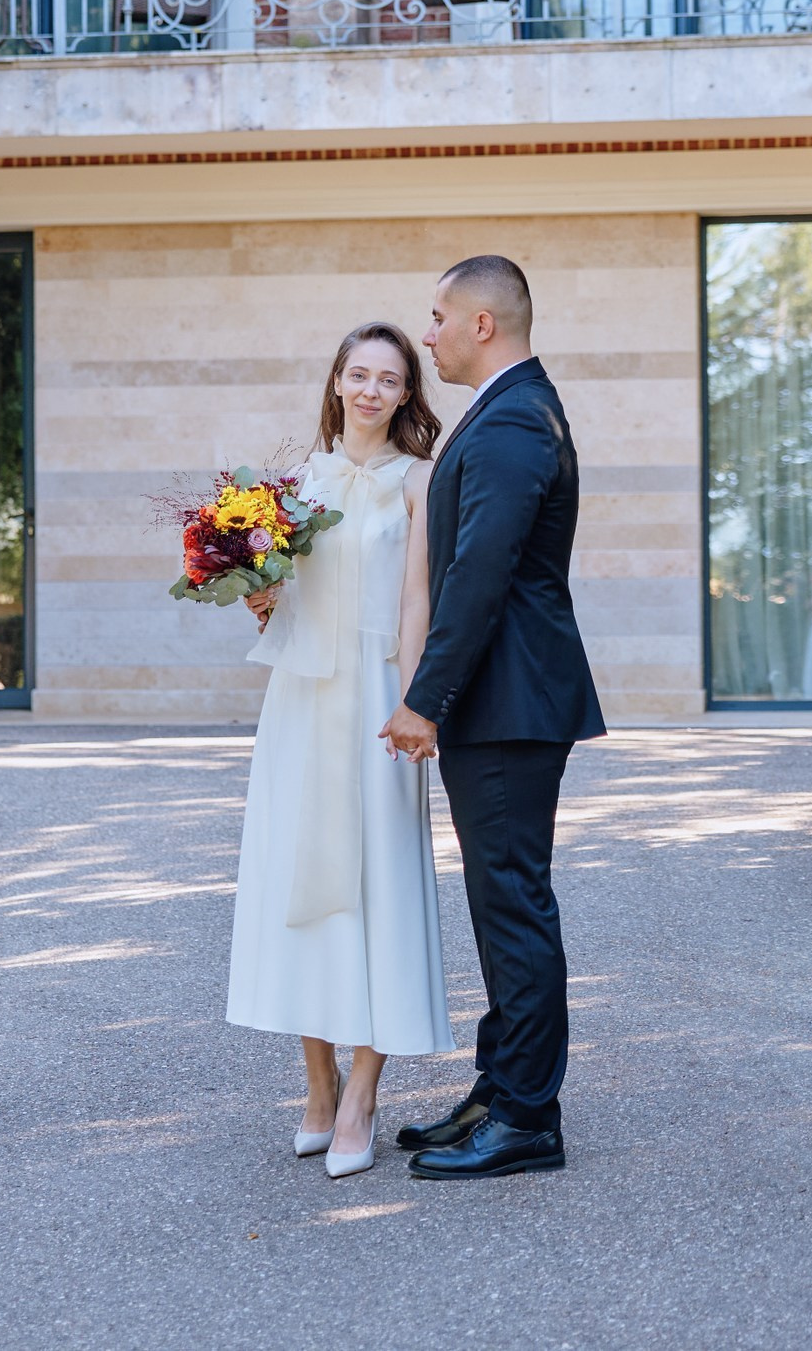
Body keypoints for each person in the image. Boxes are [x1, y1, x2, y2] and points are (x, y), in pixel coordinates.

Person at [382, 254, 603, 1180]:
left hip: (508, 703)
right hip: (506, 699)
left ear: (484, 324)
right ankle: (499, 1087)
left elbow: (479, 574)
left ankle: (527, 1117)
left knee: (513, 903)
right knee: (499, 899)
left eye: (437, 317)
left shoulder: (514, 420)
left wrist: (423, 697)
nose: (424, 334)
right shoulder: (509, 409)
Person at [225, 322, 453, 1179]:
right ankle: (317, 1087)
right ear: (335, 384)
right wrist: (257, 595)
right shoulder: (291, 486)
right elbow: (279, 593)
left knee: (374, 886)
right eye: (357, 374)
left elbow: (418, 596)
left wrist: (414, 701)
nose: (370, 390)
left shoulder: (418, 482)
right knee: (304, 883)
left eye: (388, 379)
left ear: (405, 395)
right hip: (300, 699)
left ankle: (364, 1092)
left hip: (376, 699)